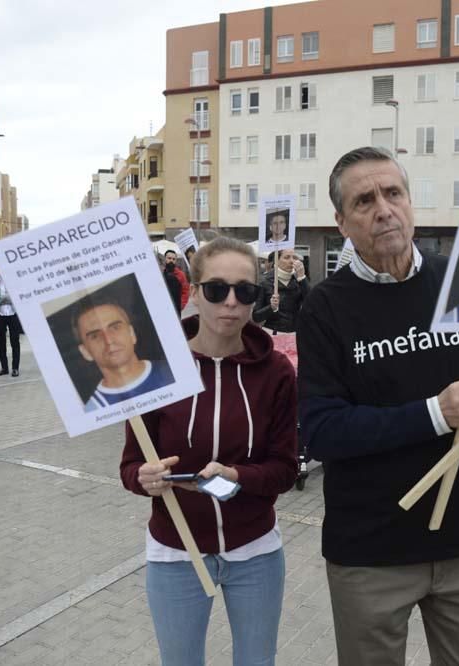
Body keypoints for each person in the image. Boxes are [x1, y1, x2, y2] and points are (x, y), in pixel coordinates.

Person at [298, 147, 459, 665]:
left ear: (410, 202)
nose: (383, 209)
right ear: (342, 222)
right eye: (364, 200)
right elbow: (322, 430)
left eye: (393, 193)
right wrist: (436, 414)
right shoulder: (324, 307)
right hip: (370, 553)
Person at [119, 237, 297, 665]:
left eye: (244, 291)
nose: (230, 302)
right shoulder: (154, 366)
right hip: (175, 552)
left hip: (255, 552)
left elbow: (286, 469)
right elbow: (130, 465)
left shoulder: (276, 372)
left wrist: (239, 477)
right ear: (194, 293)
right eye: (216, 289)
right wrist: (145, 478)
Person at [72, 297, 174, 412]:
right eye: (95, 336)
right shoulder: (93, 410)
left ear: (131, 334)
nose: (108, 340)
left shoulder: (175, 372)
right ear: (85, 352)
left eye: (115, 328)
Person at [253, 249, 309, 334]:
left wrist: (302, 277)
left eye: (294, 257)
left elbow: (311, 302)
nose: (291, 261)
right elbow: (256, 316)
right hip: (272, 333)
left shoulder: (298, 281)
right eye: (286, 257)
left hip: (294, 334)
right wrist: (271, 307)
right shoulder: (265, 282)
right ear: (276, 261)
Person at [0, 260, 22, 378]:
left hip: (13, 314)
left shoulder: (15, 280)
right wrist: (6, 298)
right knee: (1, 342)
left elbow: (17, 296)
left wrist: (1, 298)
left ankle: (15, 368)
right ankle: (4, 367)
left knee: (15, 341)